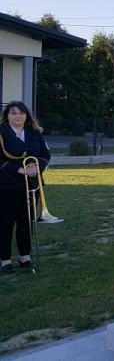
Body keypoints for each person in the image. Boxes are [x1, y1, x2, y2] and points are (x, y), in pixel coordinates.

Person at [0, 101, 51, 274]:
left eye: (21, 113)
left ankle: (25, 257)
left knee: (26, 222)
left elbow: (45, 154)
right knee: (5, 223)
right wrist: (20, 169)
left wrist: (37, 167)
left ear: (26, 115)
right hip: (7, 185)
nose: (18, 116)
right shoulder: (1, 133)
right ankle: (5, 260)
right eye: (13, 113)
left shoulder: (34, 132)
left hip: (31, 184)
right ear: (7, 116)